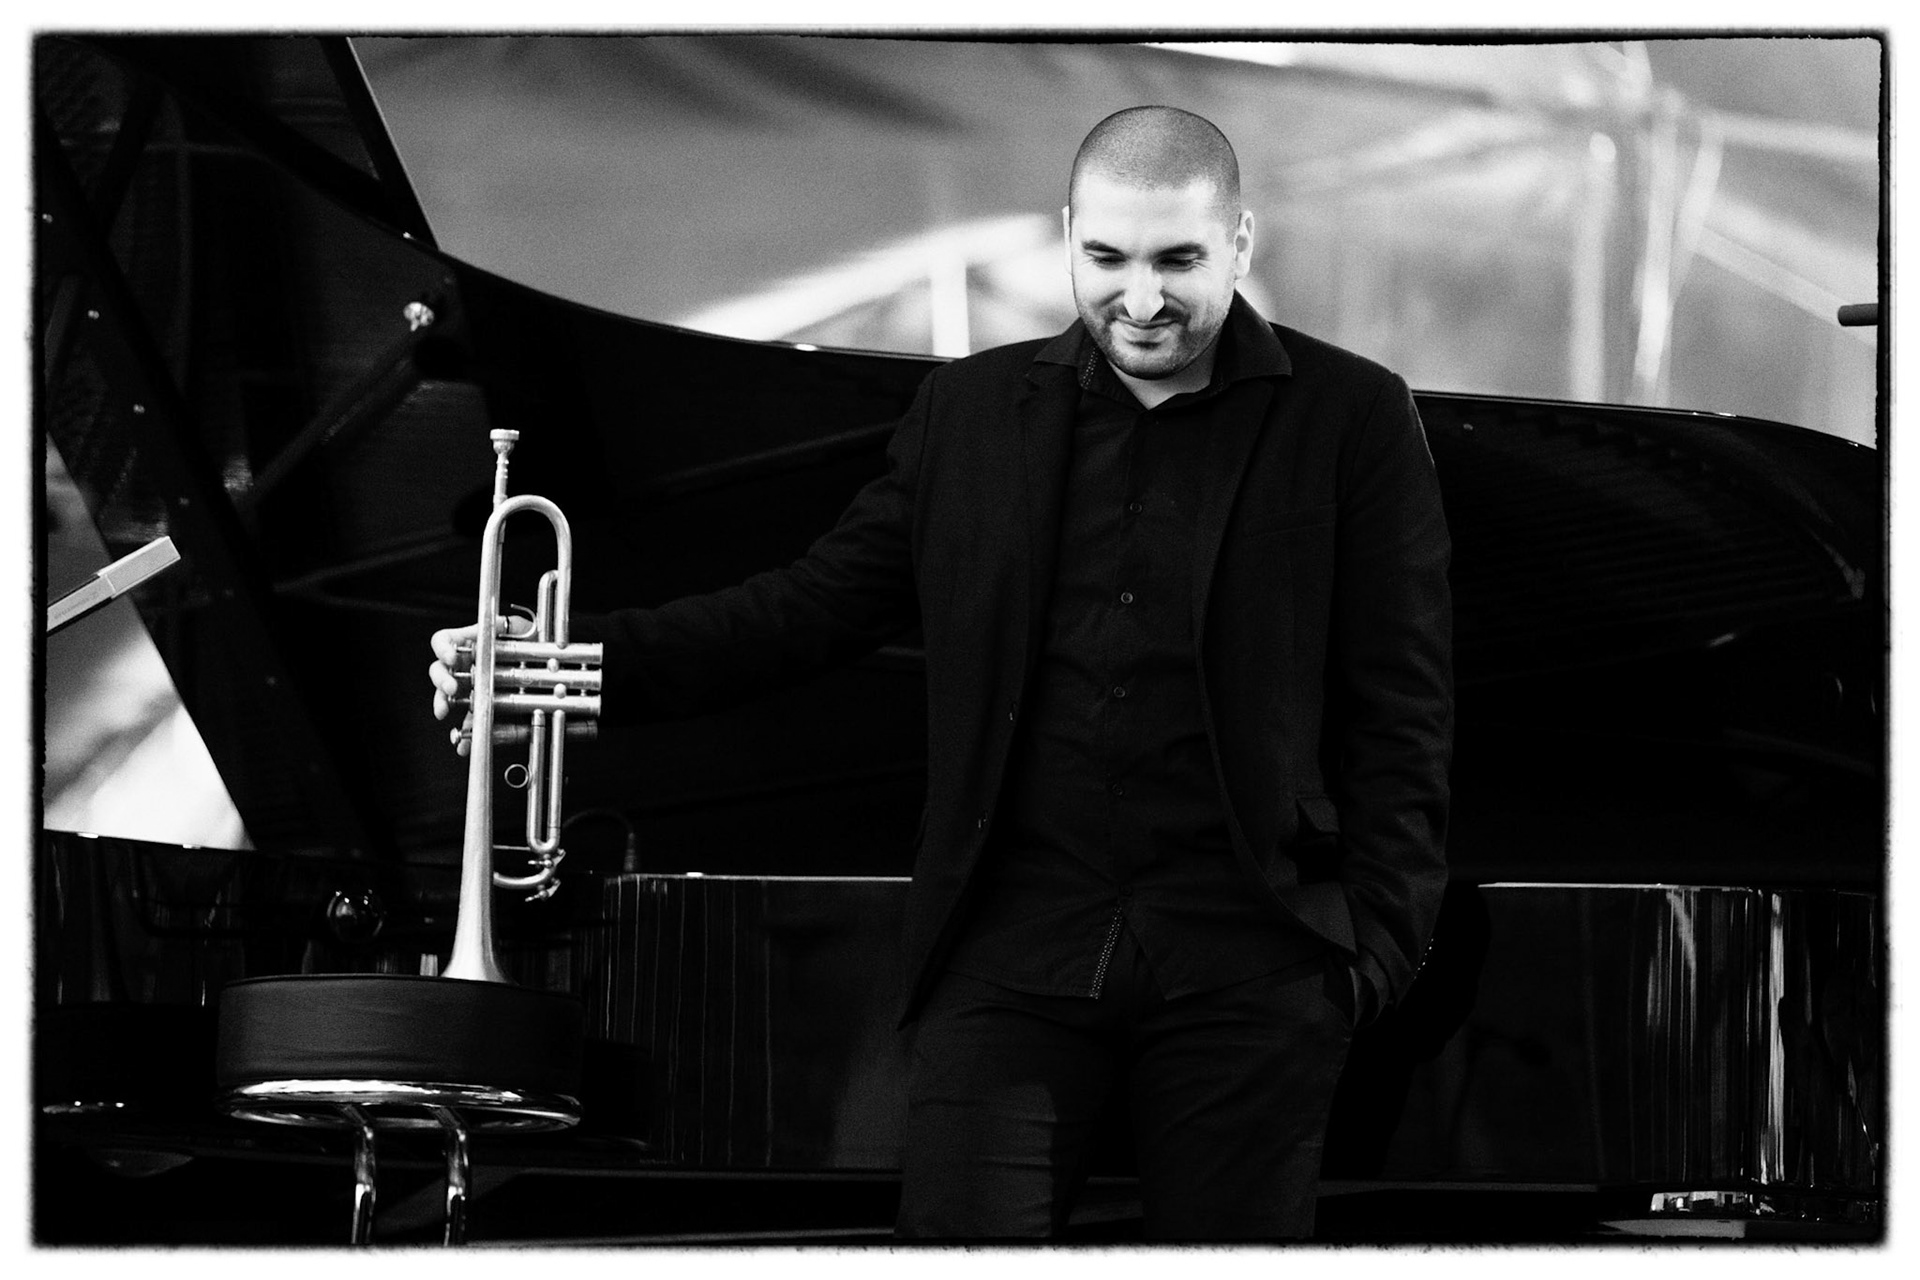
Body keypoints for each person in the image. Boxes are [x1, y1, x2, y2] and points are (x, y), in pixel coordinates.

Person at [429, 105, 1452, 1241]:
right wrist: (556, 668)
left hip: (1254, 967)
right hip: (1010, 954)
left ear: (1242, 242)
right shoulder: (969, 413)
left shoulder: (1354, 416)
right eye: (1108, 259)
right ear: (1067, 234)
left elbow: (1400, 708)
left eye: (1179, 261)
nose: (1143, 299)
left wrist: (1369, 961)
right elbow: (808, 610)